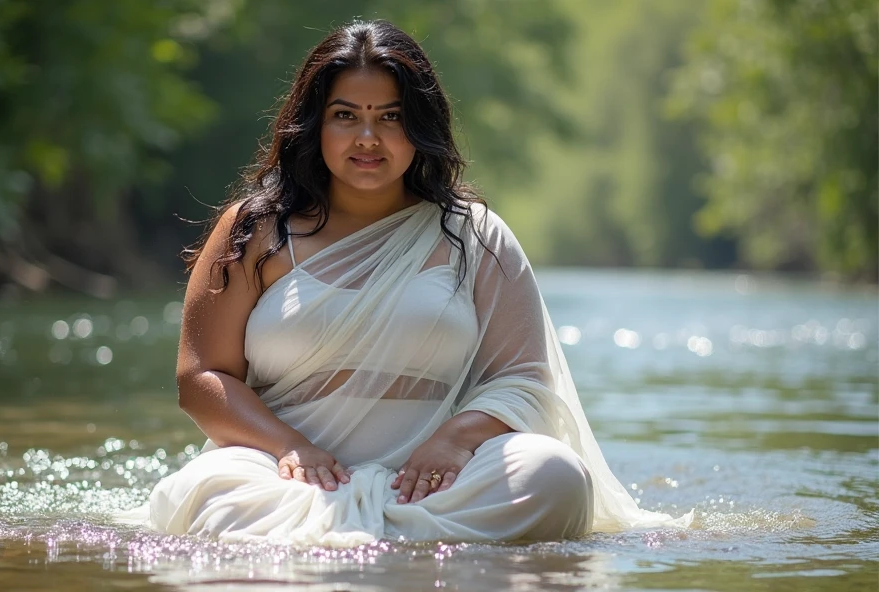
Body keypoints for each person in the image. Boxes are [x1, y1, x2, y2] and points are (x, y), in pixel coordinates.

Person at [128, 19, 690, 546]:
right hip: (283, 476)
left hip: (436, 483)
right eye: (346, 115)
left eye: (391, 117)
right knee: (210, 492)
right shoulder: (255, 229)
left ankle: (349, 544)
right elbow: (200, 376)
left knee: (554, 476)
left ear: (420, 127)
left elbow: (523, 381)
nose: (368, 137)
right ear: (314, 124)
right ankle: (404, 545)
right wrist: (292, 447)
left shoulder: (474, 236)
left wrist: (454, 440)